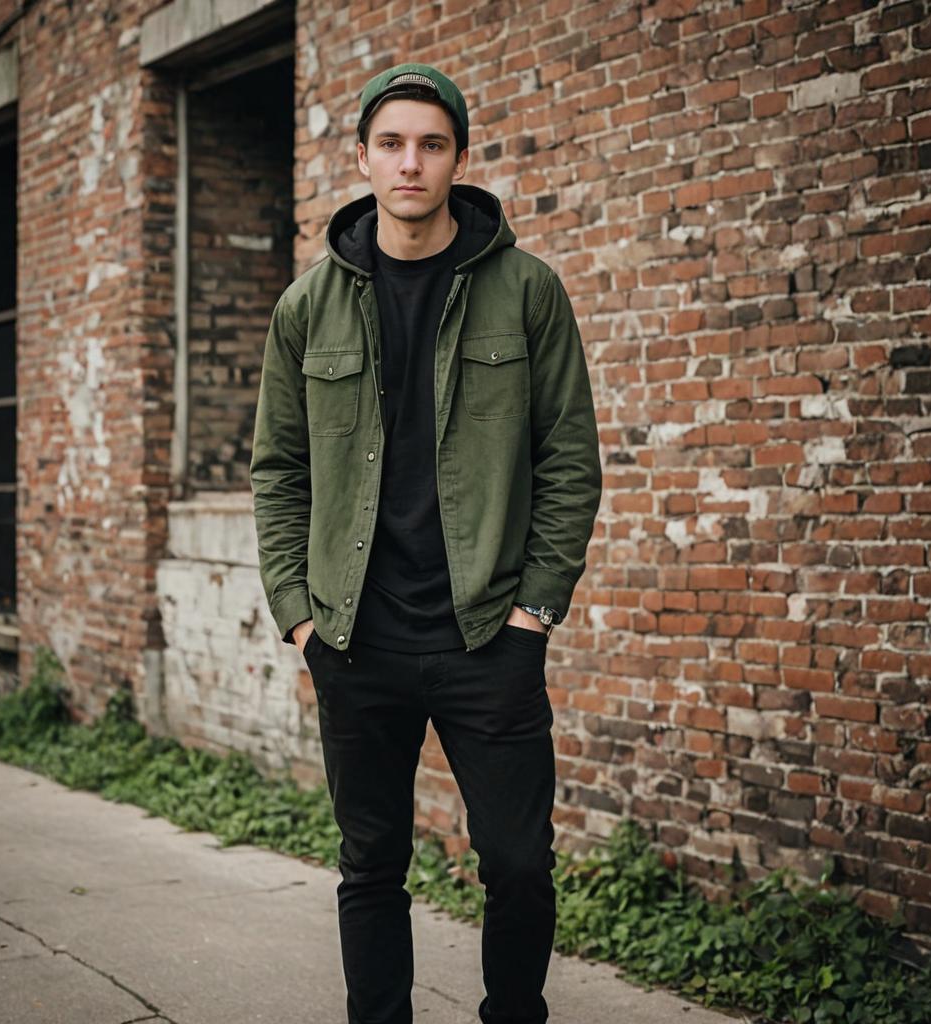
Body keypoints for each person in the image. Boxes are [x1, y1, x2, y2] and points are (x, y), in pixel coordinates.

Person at [250, 61, 601, 1024]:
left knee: (520, 865)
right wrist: (298, 619)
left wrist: (535, 610)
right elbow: (277, 472)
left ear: (457, 159)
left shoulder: (528, 292)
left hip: (488, 633)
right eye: (393, 143)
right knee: (370, 868)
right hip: (355, 638)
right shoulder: (305, 308)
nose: (411, 163)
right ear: (362, 157)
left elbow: (570, 459)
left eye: (432, 144)